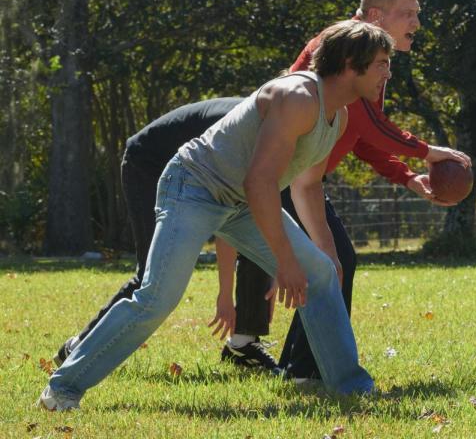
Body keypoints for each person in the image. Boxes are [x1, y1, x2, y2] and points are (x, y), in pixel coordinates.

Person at [38, 20, 387, 411]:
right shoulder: (298, 97)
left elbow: (306, 186)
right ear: (350, 64)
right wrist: (285, 261)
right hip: (193, 188)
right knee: (158, 296)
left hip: (238, 203)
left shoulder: (336, 116)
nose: (387, 73)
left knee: (321, 276)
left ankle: (350, 388)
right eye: (381, 63)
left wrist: (328, 256)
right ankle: (63, 388)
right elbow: (260, 181)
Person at [272, 0, 471, 380]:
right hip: (275, 177)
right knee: (334, 261)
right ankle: (305, 368)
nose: (416, 23)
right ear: (377, 15)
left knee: (332, 262)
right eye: (408, 14)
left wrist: (408, 176)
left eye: (418, 13)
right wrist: (427, 152)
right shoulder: (345, 47)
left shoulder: (373, 55)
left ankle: (299, 366)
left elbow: (360, 134)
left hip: (301, 179)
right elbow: (370, 123)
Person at [51, 98, 279, 373]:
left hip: (185, 168)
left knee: (256, 229)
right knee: (151, 275)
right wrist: (224, 296)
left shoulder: (276, 125)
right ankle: (77, 349)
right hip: (147, 163)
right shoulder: (253, 128)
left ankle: (243, 343)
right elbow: (227, 222)